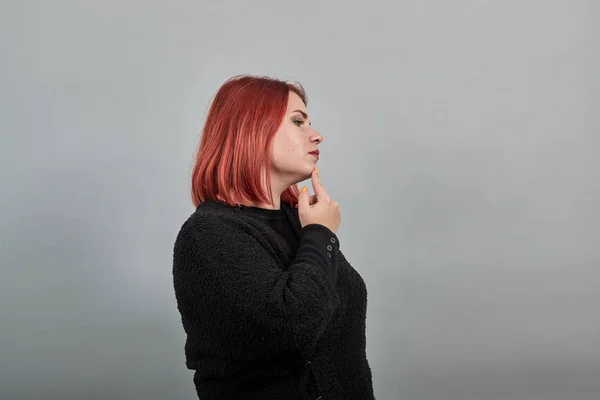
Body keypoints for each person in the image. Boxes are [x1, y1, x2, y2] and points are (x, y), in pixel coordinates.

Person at [172, 75, 374, 399]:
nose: (317, 135)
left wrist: (315, 231)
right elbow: (293, 328)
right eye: (298, 121)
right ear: (252, 129)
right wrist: (321, 233)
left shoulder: (300, 222)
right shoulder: (208, 234)